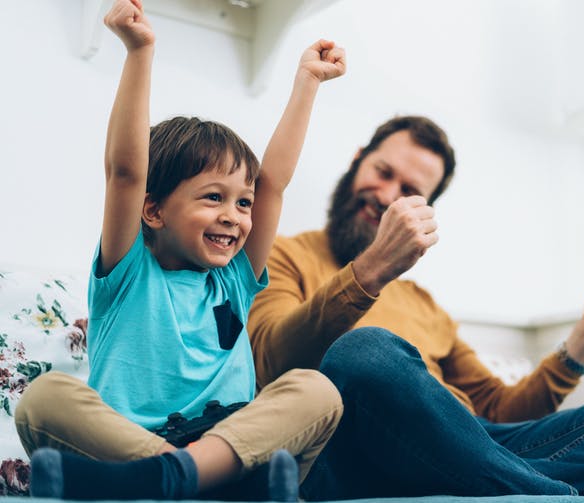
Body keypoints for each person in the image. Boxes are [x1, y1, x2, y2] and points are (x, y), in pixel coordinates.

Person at [247, 115, 584, 500]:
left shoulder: (425, 304)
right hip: (363, 449)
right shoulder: (284, 253)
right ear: (358, 160)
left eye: (408, 191)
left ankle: (517, 485)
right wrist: (371, 269)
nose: (386, 196)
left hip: (475, 445)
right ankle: (568, 495)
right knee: (366, 352)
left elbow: (498, 411)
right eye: (382, 172)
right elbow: (271, 359)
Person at [14, 0, 345, 500]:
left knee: (318, 392)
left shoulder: (233, 279)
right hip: (133, 447)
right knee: (43, 399)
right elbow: (125, 172)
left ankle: (183, 476)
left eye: (242, 203)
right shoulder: (127, 275)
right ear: (153, 211)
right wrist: (139, 52)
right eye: (213, 197)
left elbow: (273, 184)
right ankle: (176, 473)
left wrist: (307, 83)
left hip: (230, 445)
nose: (234, 215)